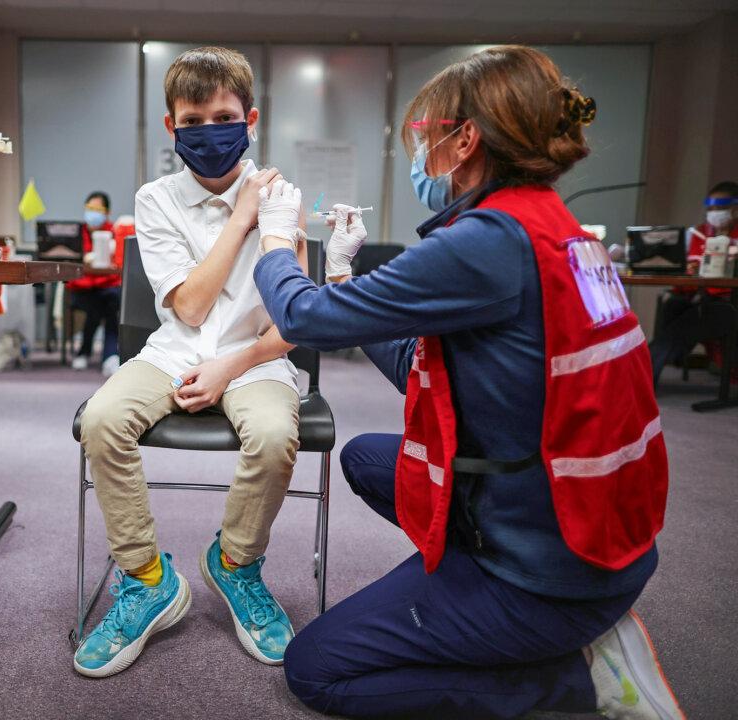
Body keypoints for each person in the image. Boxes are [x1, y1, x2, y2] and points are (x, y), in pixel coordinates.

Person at [253, 46, 683, 719]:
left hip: (550, 575)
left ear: (465, 139)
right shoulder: (559, 229)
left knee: (315, 672)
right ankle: (477, 596)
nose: (420, 153)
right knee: (368, 458)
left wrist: (277, 241)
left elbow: (303, 316)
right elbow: (426, 374)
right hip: (586, 531)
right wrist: (344, 275)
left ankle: (577, 681)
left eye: (423, 135)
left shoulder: (485, 243)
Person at [73, 46, 307, 678]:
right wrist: (241, 218)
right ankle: (148, 578)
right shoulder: (155, 200)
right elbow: (195, 309)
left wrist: (230, 368)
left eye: (224, 116)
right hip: (174, 350)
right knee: (101, 420)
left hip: (255, 359)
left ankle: (234, 564)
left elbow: (296, 320)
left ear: (251, 119)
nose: (210, 131)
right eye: (193, 120)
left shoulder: (284, 198)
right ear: (172, 127)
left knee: (276, 432)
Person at [648, 181, 738, 385]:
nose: (714, 213)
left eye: (721, 208)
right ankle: (661, 363)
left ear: (735, 209)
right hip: (699, 296)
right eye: (711, 208)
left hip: (729, 301)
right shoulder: (698, 234)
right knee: (673, 304)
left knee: (693, 318)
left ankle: (646, 369)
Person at [68, 191, 123, 376]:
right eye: (89, 208)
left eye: (97, 209)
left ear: (107, 212)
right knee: (98, 304)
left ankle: (91, 354)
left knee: (112, 301)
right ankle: (108, 356)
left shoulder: (114, 232)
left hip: (107, 286)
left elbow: (118, 264)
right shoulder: (75, 234)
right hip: (82, 288)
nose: (93, 213)